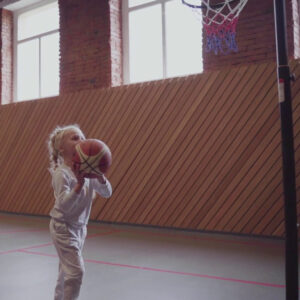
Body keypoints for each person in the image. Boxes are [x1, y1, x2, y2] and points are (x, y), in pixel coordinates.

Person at [47, 124, 112, 300]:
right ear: (61, 149)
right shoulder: (62, 174)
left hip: (79, 227)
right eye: (75, 138)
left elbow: (107, 193)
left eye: (82, 137)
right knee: (76, 272)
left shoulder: (88, 172)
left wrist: (100, 176)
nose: (81, 140)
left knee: (65, 271)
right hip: (63, 226)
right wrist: (79, 185)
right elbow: (64, 206)